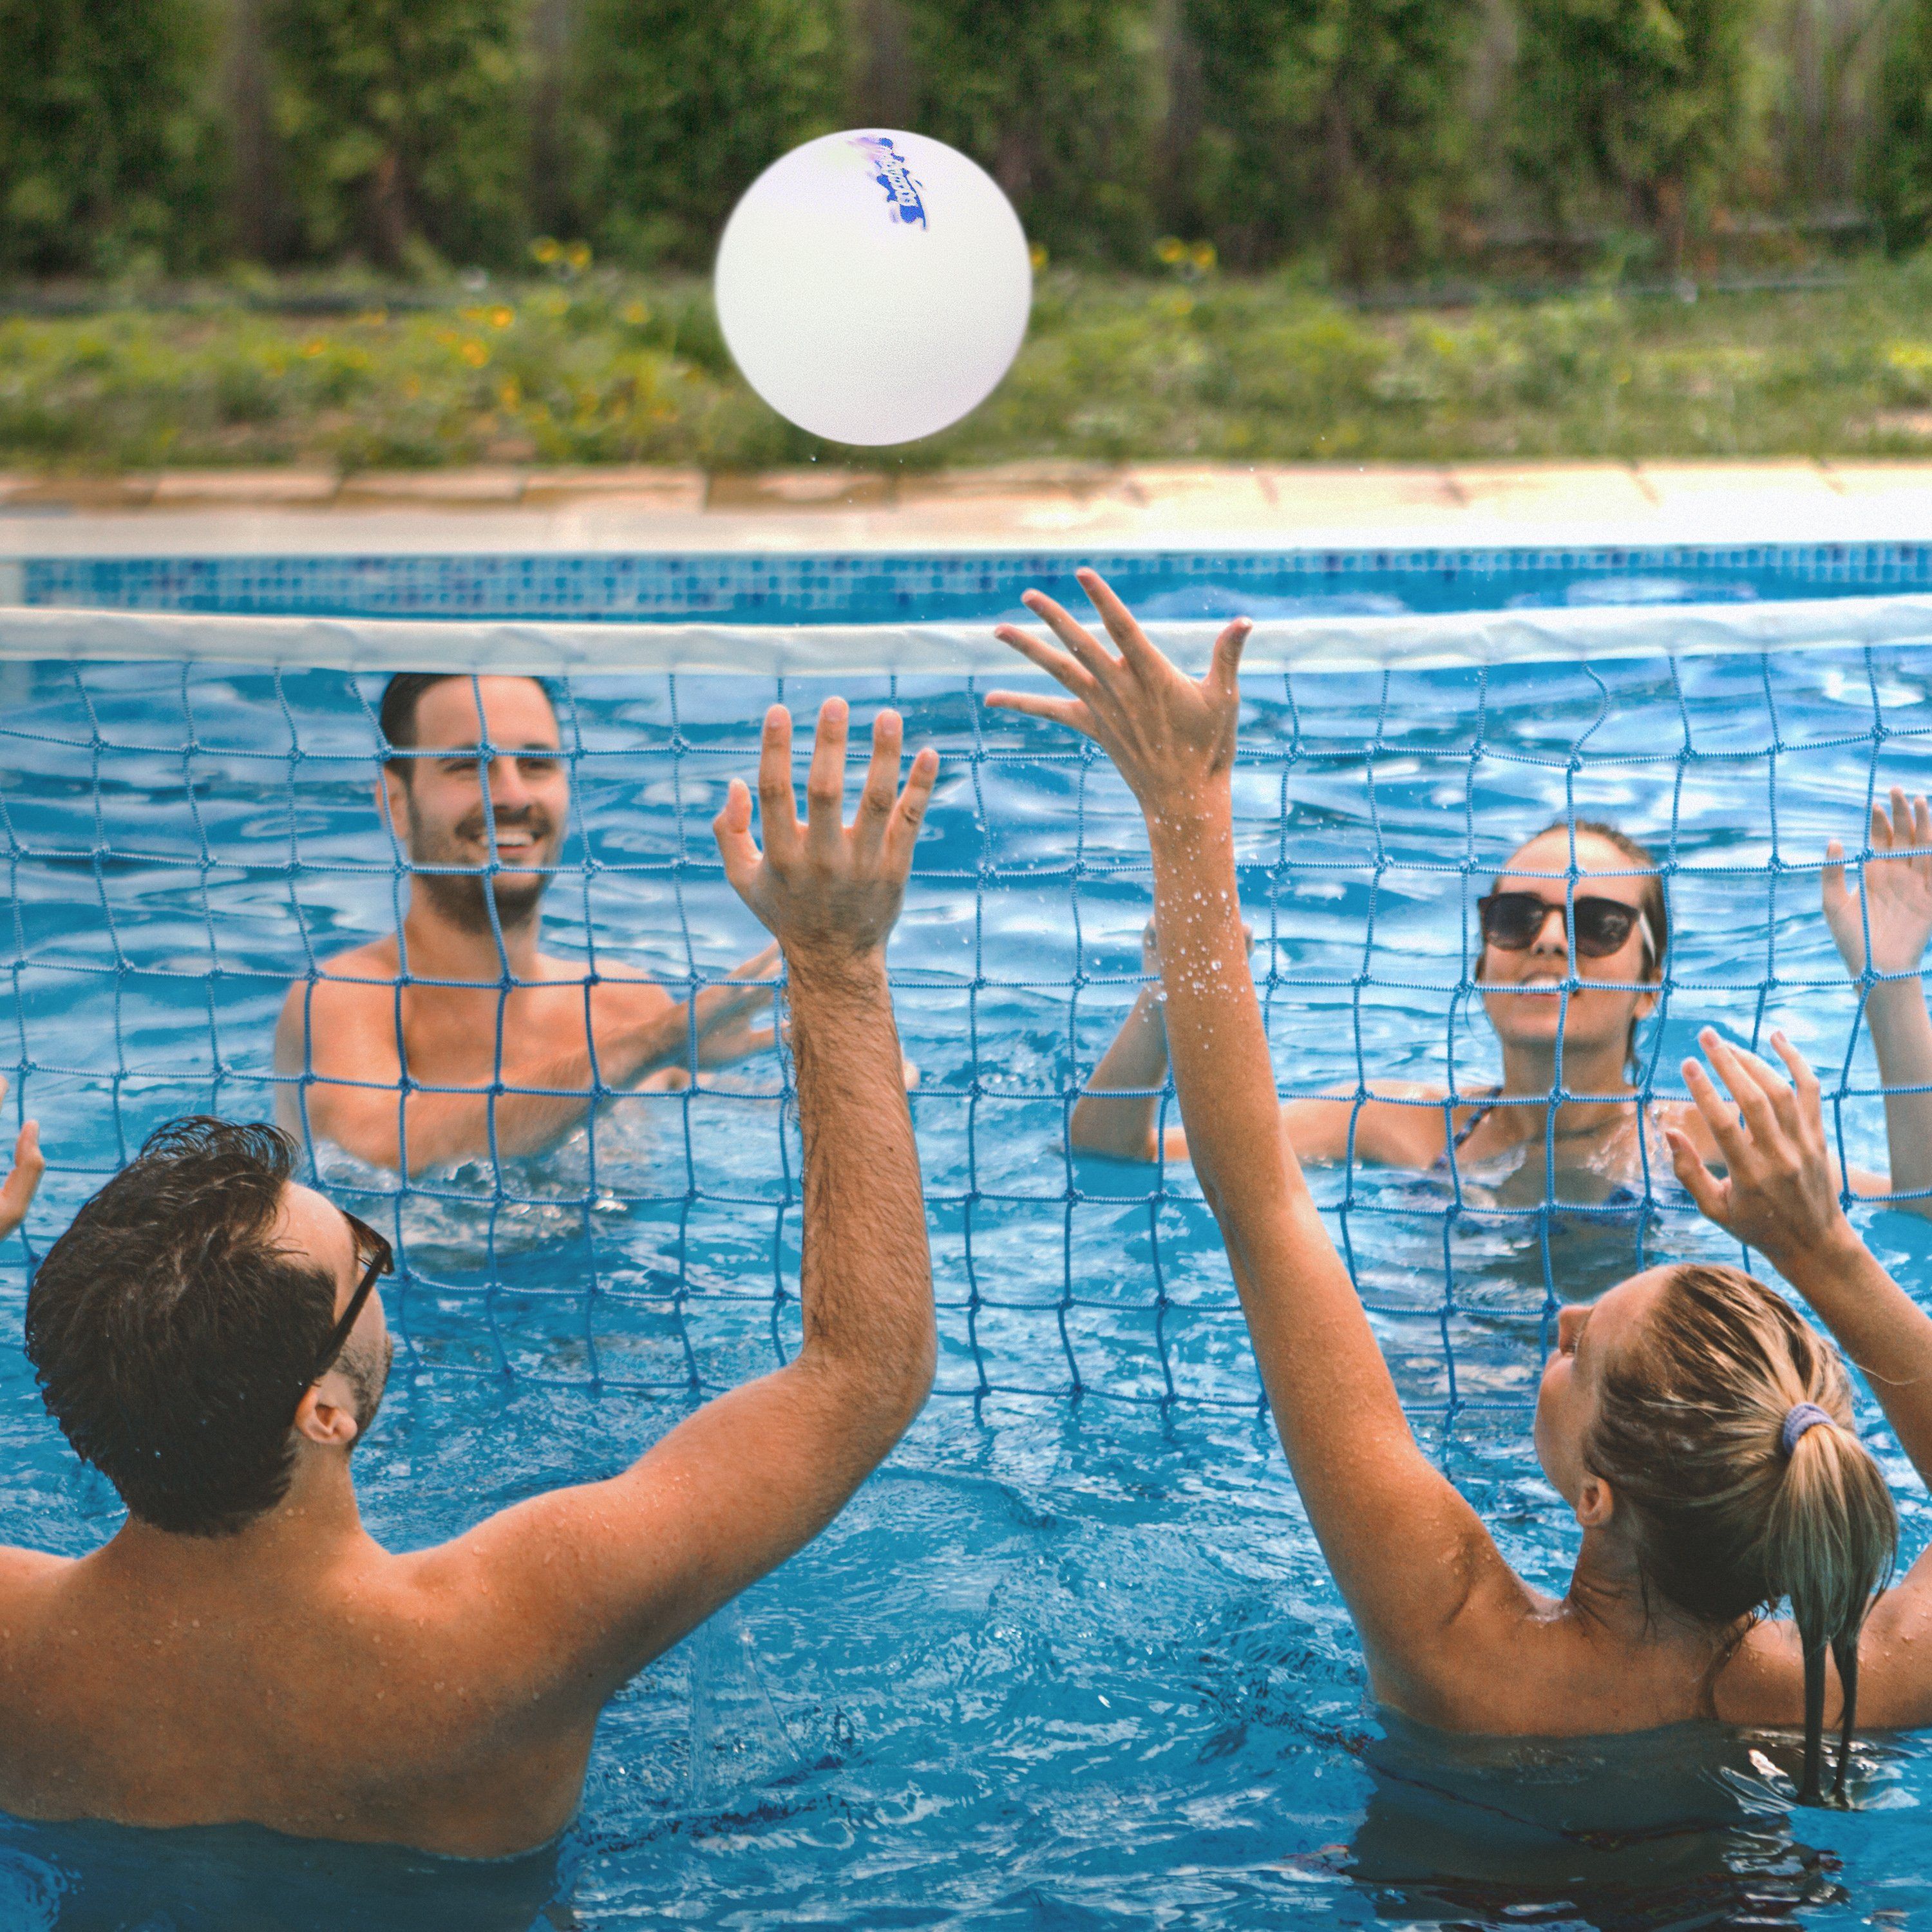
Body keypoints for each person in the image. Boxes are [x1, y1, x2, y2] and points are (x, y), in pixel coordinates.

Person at [990, 569, 1932, 1804]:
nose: (1569, 1313)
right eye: (1519, 914)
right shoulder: (1851, 1687)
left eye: (1597, 925)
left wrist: (1188, 815)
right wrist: (1819, 1251)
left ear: (1595, 1498)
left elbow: (1260, 1202)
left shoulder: (1451, 1644)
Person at [0, 700, 940, 1856]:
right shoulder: (507, 1633)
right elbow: (866, 1374)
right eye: (363, 1255)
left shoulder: (18, 1648)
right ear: (327, 1409)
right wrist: (840, 967)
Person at [274, 673, 779, 1173]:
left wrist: (832, 968)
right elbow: (381, 1146)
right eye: (469, 766)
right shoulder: (345, 998)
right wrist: (656, 1043)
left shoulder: (624, 1002)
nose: (513, 797)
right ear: (396, 804)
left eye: (537, 764)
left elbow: (769, 1128)